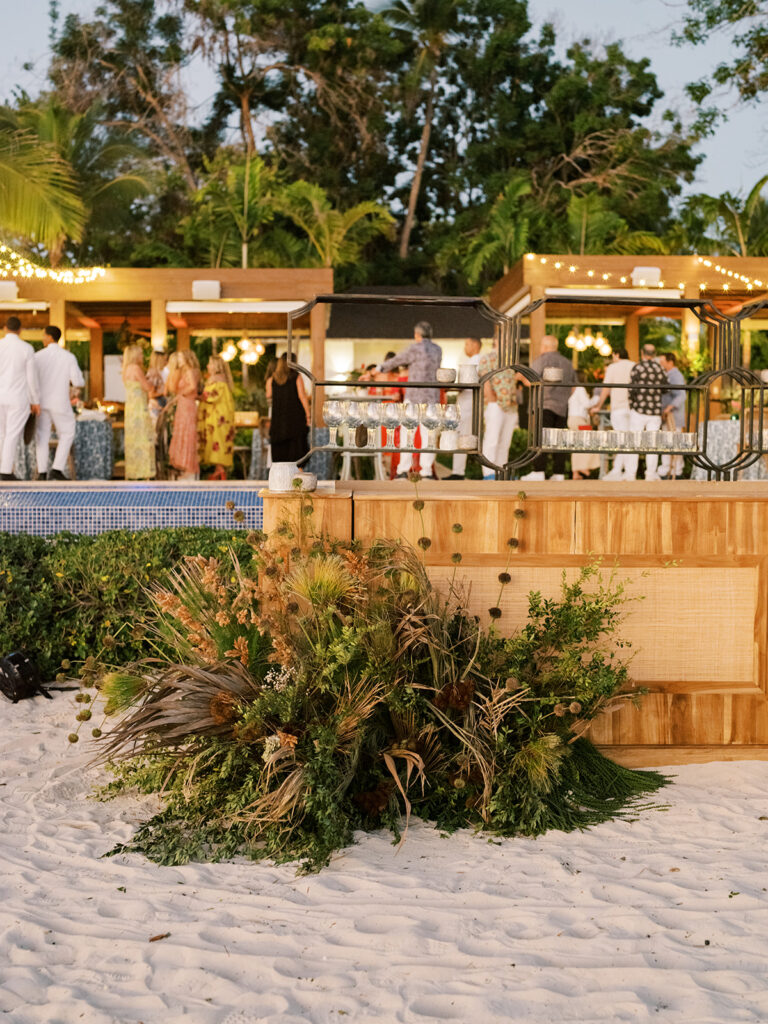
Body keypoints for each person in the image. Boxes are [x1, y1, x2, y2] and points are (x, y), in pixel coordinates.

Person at [372, 321, 442, 479]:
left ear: (417, 334)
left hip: (415, 395)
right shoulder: (438, 349)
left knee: (407, 433)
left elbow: (397, 360)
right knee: (428, 434)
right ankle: (426, 471)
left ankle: (403, 469)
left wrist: (378, 369)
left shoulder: (414, 348)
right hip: (431, 396)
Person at [520, 335, 576, 481]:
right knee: (559, 440)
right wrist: (563, 397)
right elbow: (573, 387)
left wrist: (520, 377)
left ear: (544, 347)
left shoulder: (542, 360)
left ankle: (539, 471)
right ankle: (559, 473)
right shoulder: (567, 362)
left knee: (541, 438)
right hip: (562, 406)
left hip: (543, 404)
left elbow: (529, 381)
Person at [34, 325, 85, 481]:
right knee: (68, 432)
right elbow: (78, 381)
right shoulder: (68, 357)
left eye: (44, 335)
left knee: (42, 436)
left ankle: (42, 472)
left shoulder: (37, 356)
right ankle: (57, 468)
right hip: (60, 402)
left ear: (50, 337)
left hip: (41, 402)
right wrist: (73, 389)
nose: (42, 338)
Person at [0, 316, 40, 481]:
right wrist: (35, 401)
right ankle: (5, 471)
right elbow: (31, 378)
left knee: (1, 434)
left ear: (4, 328)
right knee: (12, 434)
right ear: (20, 330)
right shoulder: (26, 348)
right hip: (17, 397)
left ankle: (3, 468)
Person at [592, 348, 635, 480]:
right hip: (632, 409)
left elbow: (606, 389)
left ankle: (618, 471)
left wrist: (598, 405)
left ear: (616, 355)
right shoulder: (634, 365)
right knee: (630, 440)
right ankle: (628, 472)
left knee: (622, 440)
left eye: (613, 356)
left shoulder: (613, 367)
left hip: (618, 408)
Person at [477, 337, 518, 479]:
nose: (508, 344)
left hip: (510, 406)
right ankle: (488, 473)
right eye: (505, 341)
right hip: (495, 404)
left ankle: (501, 472)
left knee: (504, 442)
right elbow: (484, 379)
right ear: (497, 342)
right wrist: (491, 398)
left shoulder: (511, 361)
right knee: (492, 440)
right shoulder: (487, 358)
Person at [626, 343, 667, 481]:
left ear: (642, 353)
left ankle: (631, 474)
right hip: (654, 411)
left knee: (634, 442)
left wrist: (632, 405)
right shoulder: (659, 368)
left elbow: (631, 389)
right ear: (654, 354)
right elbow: (666, 388)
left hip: (638, 410)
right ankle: (650, 474)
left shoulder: (637, 367)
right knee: (652, 443)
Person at [266, 353, 310, 466]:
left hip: (278, 421)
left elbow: (268, 395)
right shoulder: (296, 377)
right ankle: (298, 478)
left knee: (280, 454)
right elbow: (302, 397)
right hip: (295, 420)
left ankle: (281, 478)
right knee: (297, 452)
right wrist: (308, 415)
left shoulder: (272, 379)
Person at [448, 337, 482, 479]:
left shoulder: (475, 361)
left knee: (463, 436)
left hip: (468, 404)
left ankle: (458, 472)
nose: (465, 347)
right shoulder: (473, 361)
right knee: (463, 435)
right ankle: (458, 471)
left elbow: (466, 384)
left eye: (467, 344)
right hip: (466, 403)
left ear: (475, 345)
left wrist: (450, 386)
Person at [199, 355, 236, 480]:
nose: (208, 366)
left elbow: (209, 396)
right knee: (219, 441)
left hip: (218, 419)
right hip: (219, 417)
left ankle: (219, 470)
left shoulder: (217, 380)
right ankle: (219, 470)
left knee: (218, 441)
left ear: (216, 366)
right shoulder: (222, 380)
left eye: (210, 364)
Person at [122, 344, 156, 480]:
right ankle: (144, 472)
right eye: (141, 354)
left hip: (130, 408)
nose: (142, 356)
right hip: (138, 408)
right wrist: (152, 380)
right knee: (143, 439)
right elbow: (147, 387)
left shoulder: (125, 370)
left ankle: (133, 471)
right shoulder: (136, 368)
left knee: (132, 440)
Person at [166, 350, 201, 479]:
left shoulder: (190, 371)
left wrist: (182, 394)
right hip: (184, 405)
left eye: (181, 358)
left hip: (187, 405)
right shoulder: (188, 371)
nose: (179, 361)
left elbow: (192, 387)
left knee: (187, 433)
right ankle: (184, 465)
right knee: (183, 432)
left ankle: (187, 466)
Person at [567, 371, 600, 480]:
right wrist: (596, 398)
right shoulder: (580, 389)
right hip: (579, 420)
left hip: (572, 419)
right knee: (590, 439)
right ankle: (584, 467)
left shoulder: (572, 389)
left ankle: (575, 472)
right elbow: (586, 404)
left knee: (576, 445)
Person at [659, 351, 686, 479]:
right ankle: (670, 470)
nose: (661, 365)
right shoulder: (670, 375)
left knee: (673, 443)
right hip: (670, 417)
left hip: (674, 417)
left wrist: (669, 408)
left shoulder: (675, 375)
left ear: (670, 362)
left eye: (663, 362)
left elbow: (681, 395)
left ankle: (675, 470)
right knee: (668, 443)